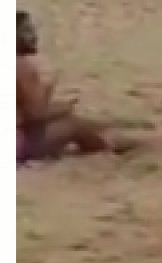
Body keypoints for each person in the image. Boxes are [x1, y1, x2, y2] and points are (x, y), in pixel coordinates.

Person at [16, 10, 135, 162]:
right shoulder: (21, 67)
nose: (34, 36)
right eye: (27, 31)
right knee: (73, 125)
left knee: (69, 118)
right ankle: (110, 146)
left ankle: (113, 130)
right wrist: (57, 100)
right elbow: (36, 115)